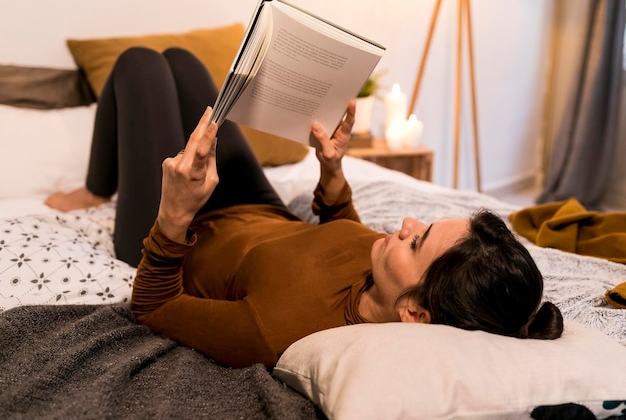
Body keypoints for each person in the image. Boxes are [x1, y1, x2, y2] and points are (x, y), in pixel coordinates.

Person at [46, 47, 564, 369]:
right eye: (422, 225)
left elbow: (154, 308)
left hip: (182, 228)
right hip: (258, 206)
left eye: (416, 241)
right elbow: (342, 232)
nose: (405, 224)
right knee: (182, 61)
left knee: (141, 64)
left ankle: (96, 190)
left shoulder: (281, 331)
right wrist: (333, 171)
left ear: (415, 313)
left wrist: (175, 213)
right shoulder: (387, 274)